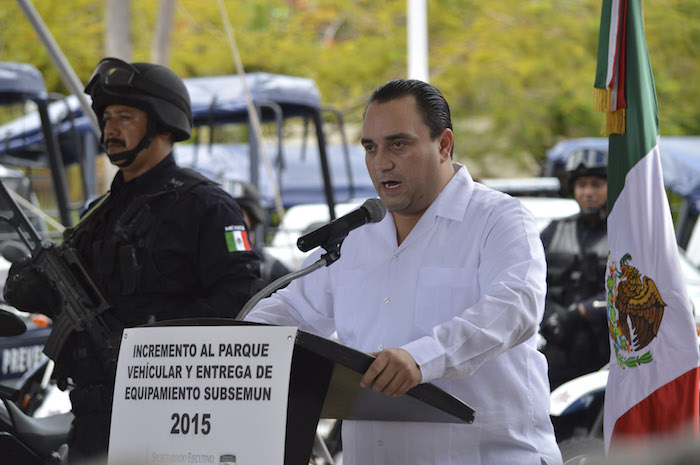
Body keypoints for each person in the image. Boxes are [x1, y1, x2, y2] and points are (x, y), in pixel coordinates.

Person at [245, 79, 562, 465]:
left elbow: (515, 307)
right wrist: (234, 348)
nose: (382, 162)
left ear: (443, 145)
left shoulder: (497, 218)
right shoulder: (355, 236)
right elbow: (291, 311)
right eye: (370, 147)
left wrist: (421, 358)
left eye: (398, 144)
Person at [4, 57, 262, 465]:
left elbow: (241, 296)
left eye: (125, 116)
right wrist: (35, 288)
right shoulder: (99, 214)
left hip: (170, 415)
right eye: (107, 118)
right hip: (93, 416)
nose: (110, 128)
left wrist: (151, 345)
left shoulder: (205, 205)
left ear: (163, 124)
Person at [539, 149, 609, 389]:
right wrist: (550, 315)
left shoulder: (624, 233)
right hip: (558, 349)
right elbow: (528, 280)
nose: (588, 192)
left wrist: (581, 312)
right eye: (582, 185)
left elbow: (633, 289)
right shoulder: (554, 230)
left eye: (596, 185)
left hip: (606, 355)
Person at [230, 180, 291, 285]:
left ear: (253, 219)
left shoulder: (272, 270)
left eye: (236, 213)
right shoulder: (204, 267)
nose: (227, 221)